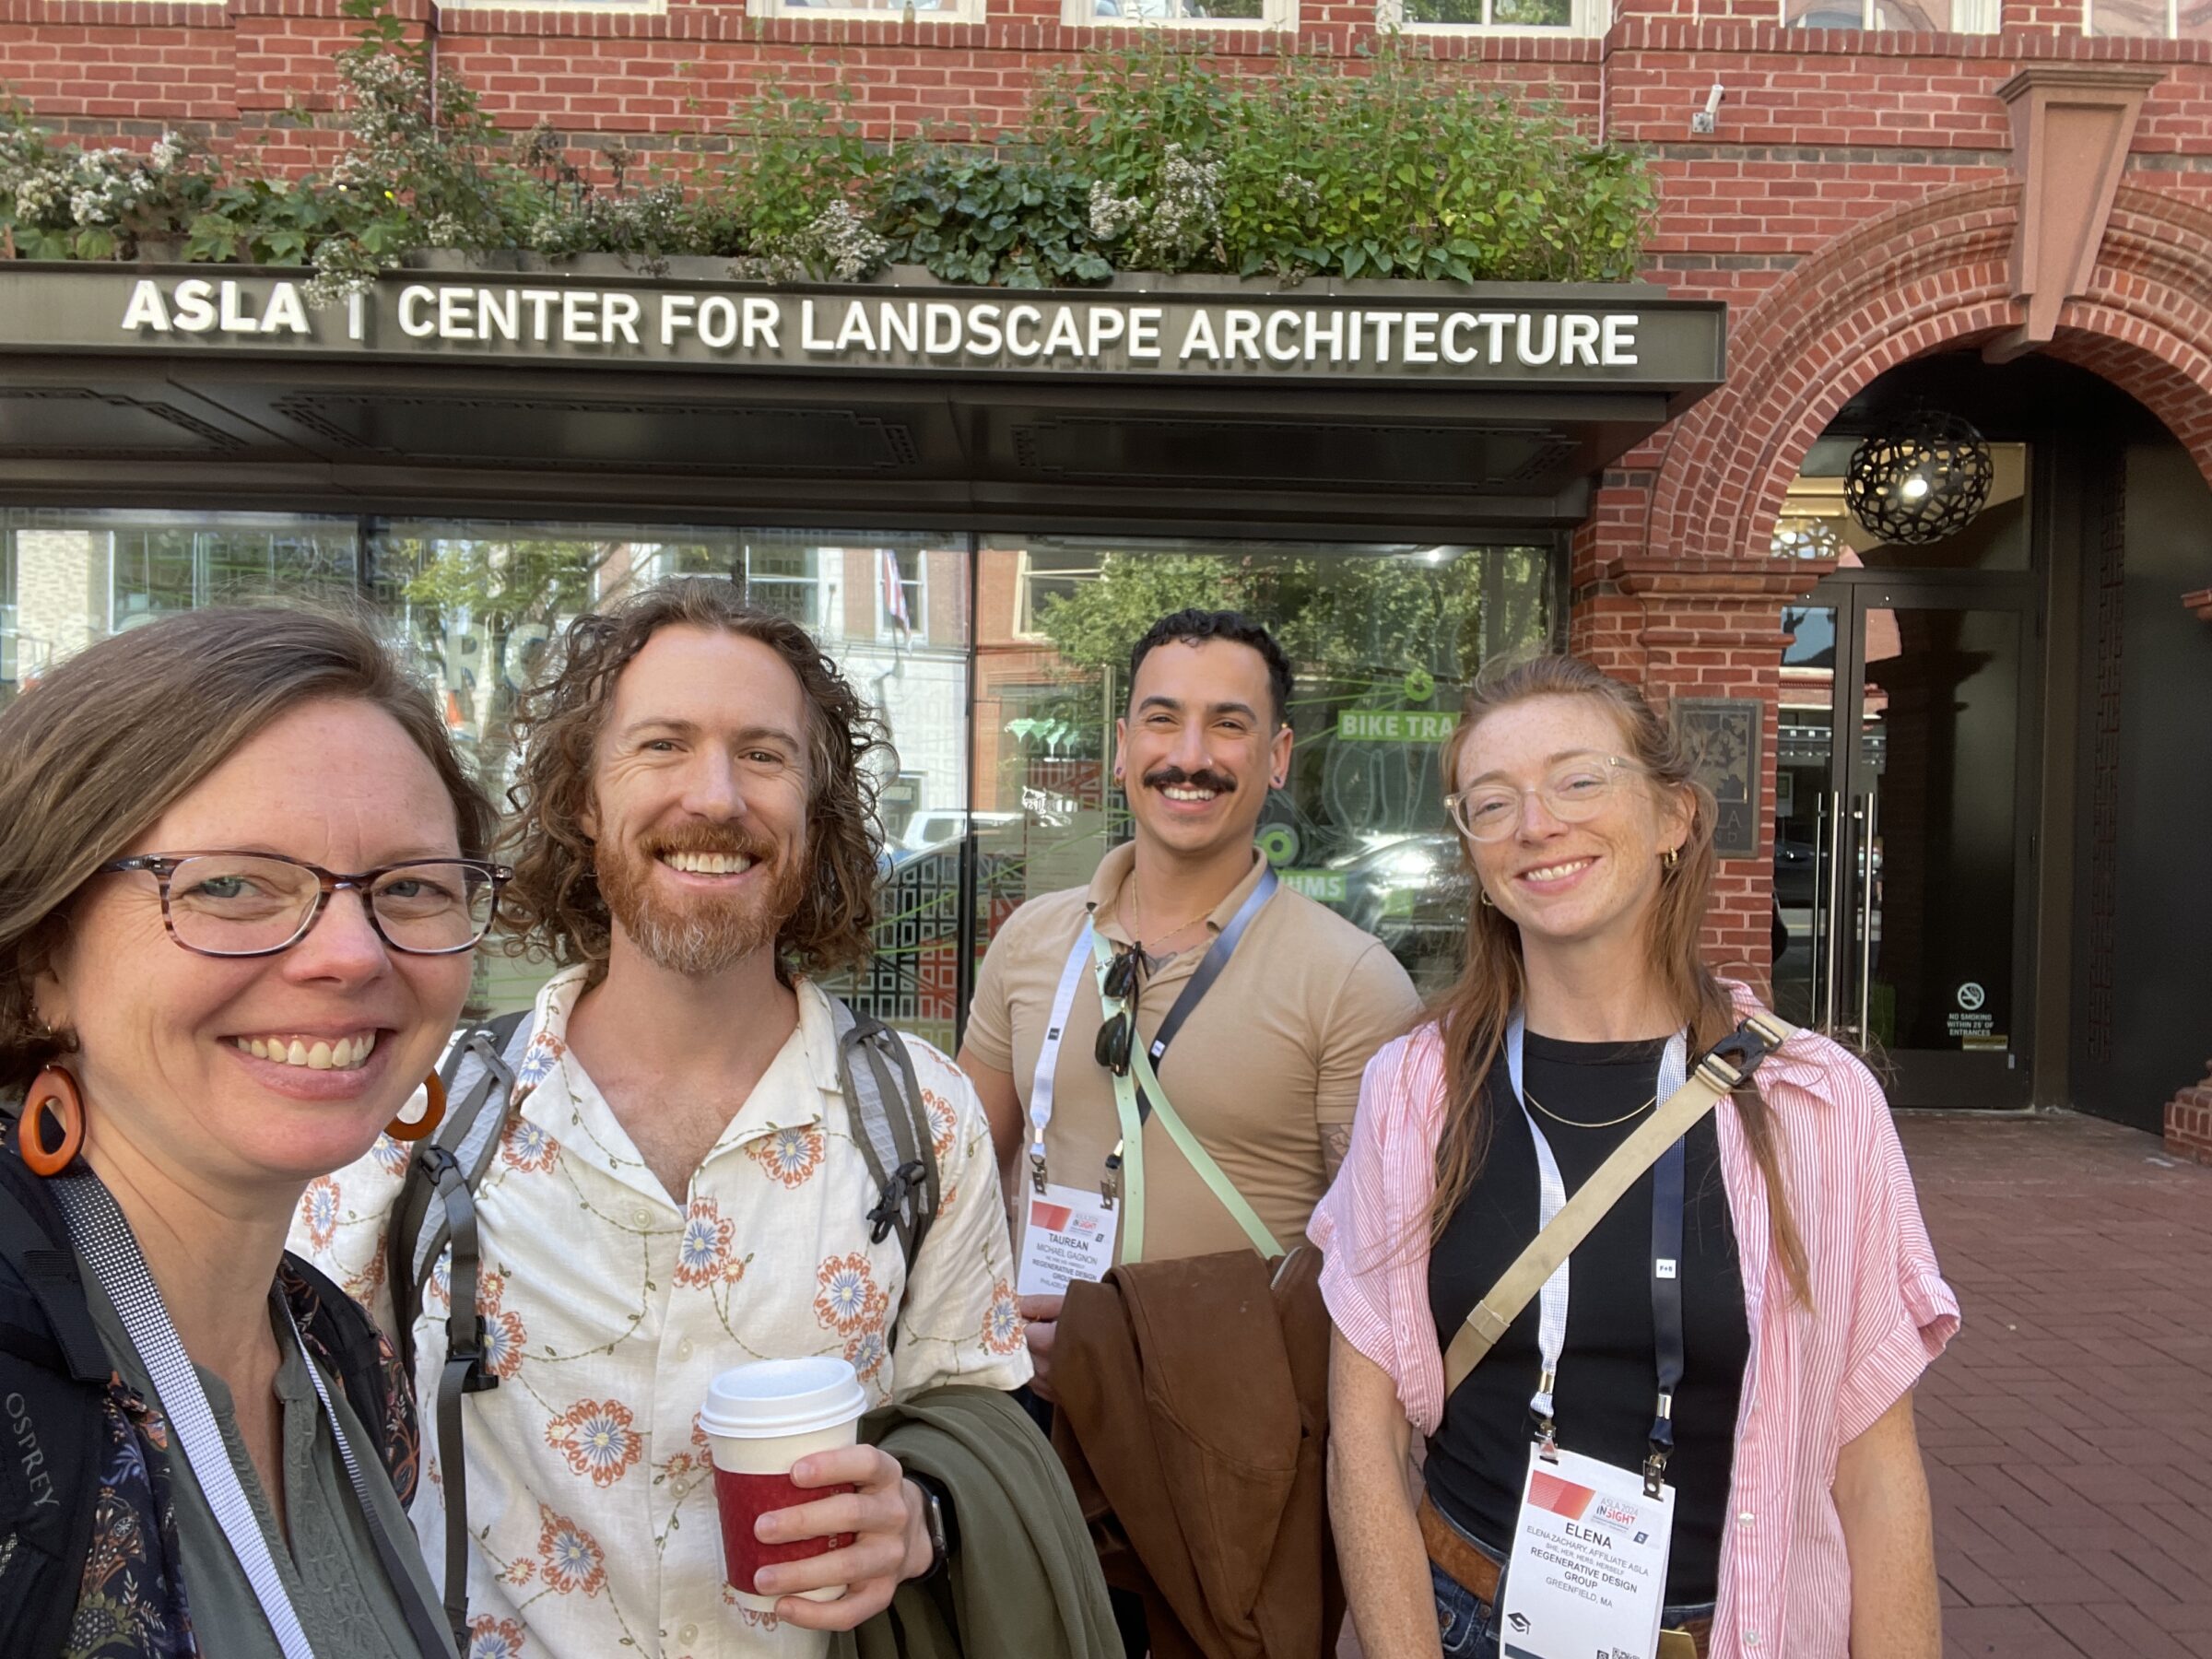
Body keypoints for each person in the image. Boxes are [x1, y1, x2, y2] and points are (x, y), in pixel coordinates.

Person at [294, 580, 1038, 1659]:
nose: (716, 796)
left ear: (815, 811)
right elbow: (286, 1426)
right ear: (584, 800)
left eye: (764, 755)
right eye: (662, 746)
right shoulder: (418, 1105)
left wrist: (918, 1516)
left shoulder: (920, 1117)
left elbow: (974, 1415)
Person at [1312, 653, 1957, 1659]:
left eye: (1579, 780)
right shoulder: (1415, 1089)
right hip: (1473, 1616)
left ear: (1673, 819)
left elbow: (1877, 1470)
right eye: (1493, 801)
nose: (1537, 824)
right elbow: (1366, 1437)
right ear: (1476, 856)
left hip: (1742, 1630)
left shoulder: (1817, 1105)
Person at [0, 606, 500, 1659]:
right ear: (45, 952)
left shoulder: (345, 1362)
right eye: (231, 884)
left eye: (409, 887)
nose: (351, 956)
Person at [960, 607, 1421, 1383]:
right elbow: (961, 1180)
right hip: (1033, 1401)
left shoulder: (1352, 980)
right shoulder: (1031, 939)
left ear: (1278, 757)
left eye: (1228, 724)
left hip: (1225, 1436)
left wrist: (1131, 1342)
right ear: (1122, 747)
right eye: (1162, 720)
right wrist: (985, 1325)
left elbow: (1375, 1277)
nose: (1189, 756)